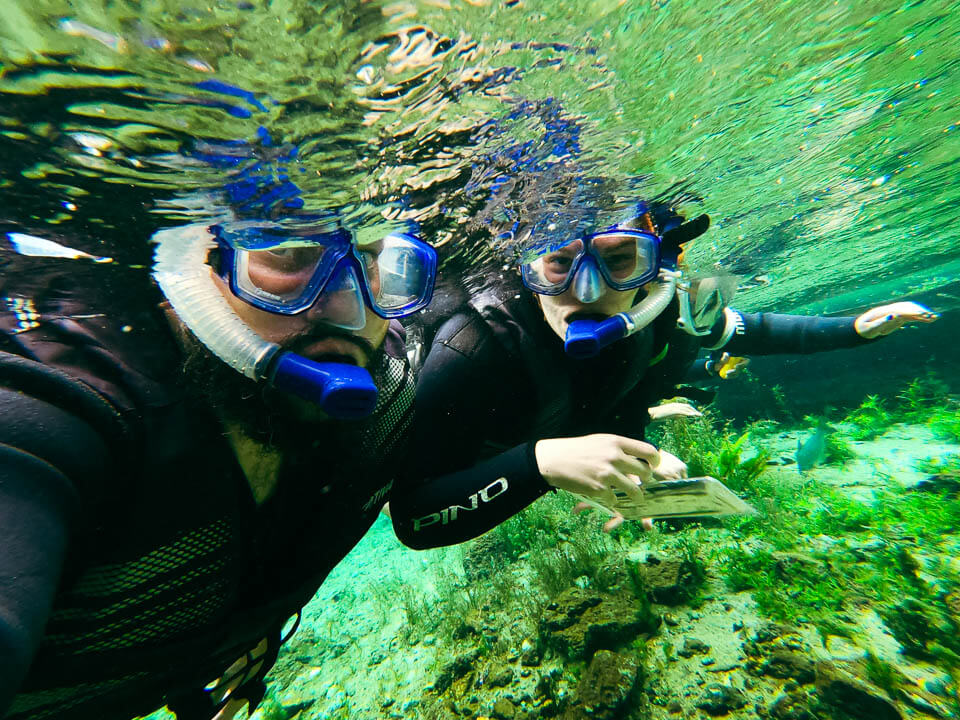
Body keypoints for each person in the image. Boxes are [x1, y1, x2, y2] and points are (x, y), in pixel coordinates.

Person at [0, 189, 458, 720]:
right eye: (287, 254)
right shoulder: (67, 401)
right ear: (193, 273)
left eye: (375, 262)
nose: (351, 310)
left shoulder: (390, 390)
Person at [394, 203, 939, 538]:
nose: (587, 291)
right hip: (492, 451)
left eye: (618, 260)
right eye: (560, 262)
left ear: (657, 270)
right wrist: (541, 465)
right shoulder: (472, 348)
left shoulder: (664, 312)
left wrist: (852, 330)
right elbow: (415, 518)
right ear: (528, 266)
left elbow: (758, 329)